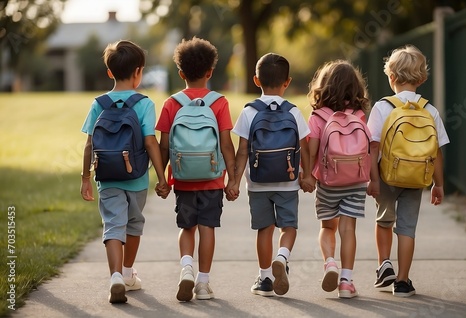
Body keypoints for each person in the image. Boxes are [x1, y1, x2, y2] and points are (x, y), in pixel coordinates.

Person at [80, 40, 168, 304]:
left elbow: (89, 144)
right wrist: (162, 178)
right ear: (139, 72)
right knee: (133, 225)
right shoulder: (144, 103)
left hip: (107, 178)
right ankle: (128, 273)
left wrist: (86, 178)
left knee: (113, 226)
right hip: (137, 178)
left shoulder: (99, 103)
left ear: (109, 72)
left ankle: (115, 276)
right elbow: (150, 142)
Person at [155, 37, 236, 302]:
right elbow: (226, 144)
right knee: (207, 227)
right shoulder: (219, 102)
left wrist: (162, 179)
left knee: (186, 226)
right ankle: (203, 283)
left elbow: (164, 146)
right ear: (210, 72)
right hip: (212, 179)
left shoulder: (172, 103)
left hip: (183, 178)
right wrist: (233, 179)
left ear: (181, 73)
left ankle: (186, 267)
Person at [228, 53, 315, 297]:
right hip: (288, 182)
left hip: (257, 183)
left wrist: (233, 181)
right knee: (288, 227)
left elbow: (242, 150)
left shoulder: (249, 112)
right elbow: (305, 147)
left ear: (256, 81)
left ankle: (265, 278)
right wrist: (307, 175)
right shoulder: (294, 112)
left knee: (264, 229)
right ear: (287, 82)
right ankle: (282, 256)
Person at [366, 44, 450, 297]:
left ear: (391, 77)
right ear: (423, 78)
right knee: (406, 228)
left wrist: (373, 179)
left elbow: (372, 147)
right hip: (416, 178)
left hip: (386, 176)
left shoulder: (382, 107)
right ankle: (402, 282)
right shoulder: (430, 110)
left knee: (383, 222)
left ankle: (384, 267)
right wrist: (439, 185)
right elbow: (436, 152)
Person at [306, 60, 373, 298]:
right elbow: (369, 150)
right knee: (348, 229)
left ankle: (330, 264)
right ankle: (346, 282)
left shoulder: (317, 116)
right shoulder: (360, 115)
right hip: (355, 180)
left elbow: (312, 150)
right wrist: (372, 180)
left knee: (327, 227)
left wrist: (308, 175)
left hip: (327, 180)